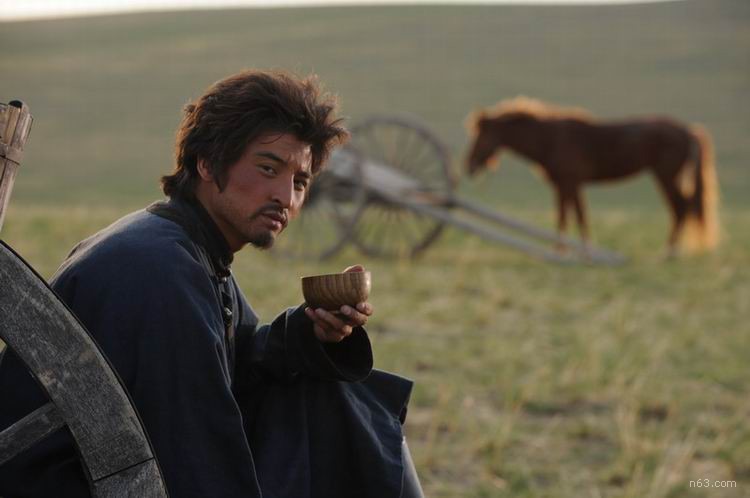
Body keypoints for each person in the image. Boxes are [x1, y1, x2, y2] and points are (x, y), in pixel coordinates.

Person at [0, 69, 424, 498]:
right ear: (206, 162)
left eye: (300, 182)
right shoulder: (160, 270)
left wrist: (308, 333)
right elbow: (194, 449)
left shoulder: (190, 249)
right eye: (268, 168)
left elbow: (234, 365)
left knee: (337, 397)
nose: (286, 197)